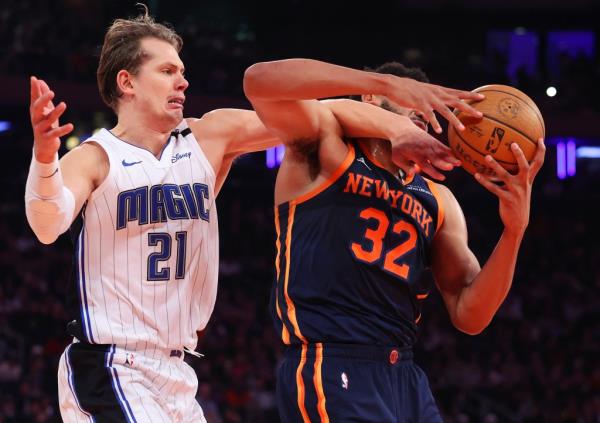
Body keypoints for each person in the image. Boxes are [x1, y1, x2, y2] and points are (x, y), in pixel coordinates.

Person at [24, 6, 483, 422]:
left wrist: (397, 125)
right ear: (127, 83)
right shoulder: (95, 156)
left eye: (182, 71)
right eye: (166, 71)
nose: (183, 81)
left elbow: (327, 113)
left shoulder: (210, 138)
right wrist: (45, 158)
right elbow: (47, 225)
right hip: (109, 362)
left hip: (177, 370)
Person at [244, 59, 546, 422]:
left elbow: (470, 314)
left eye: (429, 105)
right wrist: (386, 83)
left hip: (404, 375)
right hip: (333, 362)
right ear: (371, 98)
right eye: (414, 99)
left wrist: (514, 232)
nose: (423, 111)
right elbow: (258, 81)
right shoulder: (327, 147)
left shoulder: (438, 199)